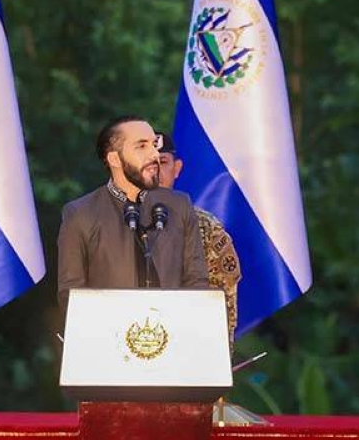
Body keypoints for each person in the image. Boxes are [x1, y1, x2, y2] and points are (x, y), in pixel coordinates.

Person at [57, 115, 208, 309]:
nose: (154, 154)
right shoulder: (81, 214)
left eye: (154, 145)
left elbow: (197, 283)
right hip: (108, 335)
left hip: (172, 334)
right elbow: (71, 296)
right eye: (142, 146)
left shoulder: (179, 206)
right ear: (114, 159)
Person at [156, 131, 242, 340]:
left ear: (177, 169)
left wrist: (218, 357)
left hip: (186, 345)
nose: (155, 171)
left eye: (163, 162)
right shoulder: (110, 222)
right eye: (147, 163)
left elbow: (223, 301)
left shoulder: (205, 227)